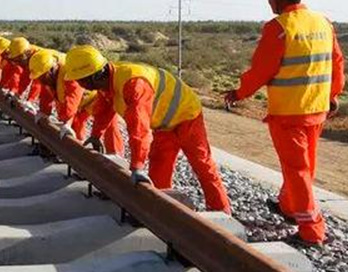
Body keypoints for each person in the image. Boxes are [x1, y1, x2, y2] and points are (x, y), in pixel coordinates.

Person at [224, 0, 344, 245]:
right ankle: (289, 207)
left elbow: (261, 70)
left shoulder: (279, 27)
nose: (269, 3)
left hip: (290, 113)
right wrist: (333, 94)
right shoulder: (323, 23)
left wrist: (239, 93)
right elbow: (337, 63)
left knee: (297, 171)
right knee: (304, 165)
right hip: (317, 108)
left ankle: (312, 230)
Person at [65, 45, 231, 214]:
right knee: (158, 168)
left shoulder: (133, 83)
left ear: (97, 74)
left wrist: (136, 166)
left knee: (202, 164)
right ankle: (160, 210)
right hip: (163, 126)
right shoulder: (108, 84)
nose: (81, 86)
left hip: (187, 116)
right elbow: (104, 110)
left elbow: (139, 128)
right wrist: (95, 136)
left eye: (82, 81)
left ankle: (222, 211)